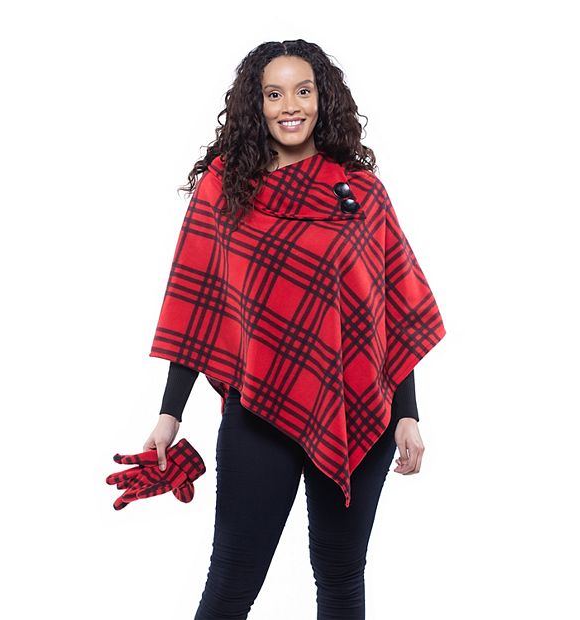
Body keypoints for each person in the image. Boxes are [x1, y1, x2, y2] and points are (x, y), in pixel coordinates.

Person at [142, 39, 446, 620]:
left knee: (341, 577)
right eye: (274, 93)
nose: (290, 106)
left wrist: (407, 413)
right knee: (231, 582)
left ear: (322, 98)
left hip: (356, 408)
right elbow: (195, 303)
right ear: (255, 104)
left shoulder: (361, 193)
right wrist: (169, 413)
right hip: (258, 409)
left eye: (303, 91)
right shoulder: (224, 188)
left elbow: (389, 311)